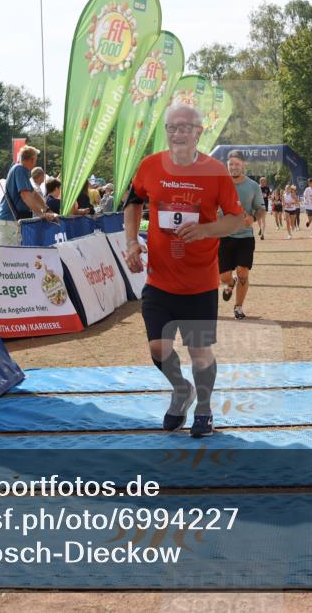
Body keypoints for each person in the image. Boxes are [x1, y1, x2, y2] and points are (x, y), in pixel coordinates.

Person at [121, 104, 245, 438]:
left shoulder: (216, 171)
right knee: (157, 349)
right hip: (159, 280)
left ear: (198, 132)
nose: (178, 133)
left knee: (199, 352)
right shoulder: (149, 166)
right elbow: (132, 202)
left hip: (200, 282)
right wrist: (132, 241)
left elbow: (236, 218)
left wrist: (206, 230)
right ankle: (181, 390)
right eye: (171, 127)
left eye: (185, 127)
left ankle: (203, 410)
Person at [219, 150, 265, 320]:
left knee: (243, 272)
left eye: (237, 164)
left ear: (243, 165)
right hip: (224, 235)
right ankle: (230, 283)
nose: (233, 167)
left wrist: (253, 218)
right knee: (223, 276)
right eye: (230, 164)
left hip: (245, 237)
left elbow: (261, 208)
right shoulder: (220, 184)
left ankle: (238, 307)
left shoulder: (253, 186)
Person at [0, 147, 56, 245]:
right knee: (22, 252)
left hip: (5, 218)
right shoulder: (20, 169)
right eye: (36, 159)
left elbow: (33, 193)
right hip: (11, 220)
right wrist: (40, 214)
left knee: (4, 255)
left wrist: (46, 209)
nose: (35, 162)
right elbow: (25, 195)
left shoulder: (18, 169)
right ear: (32, 160)